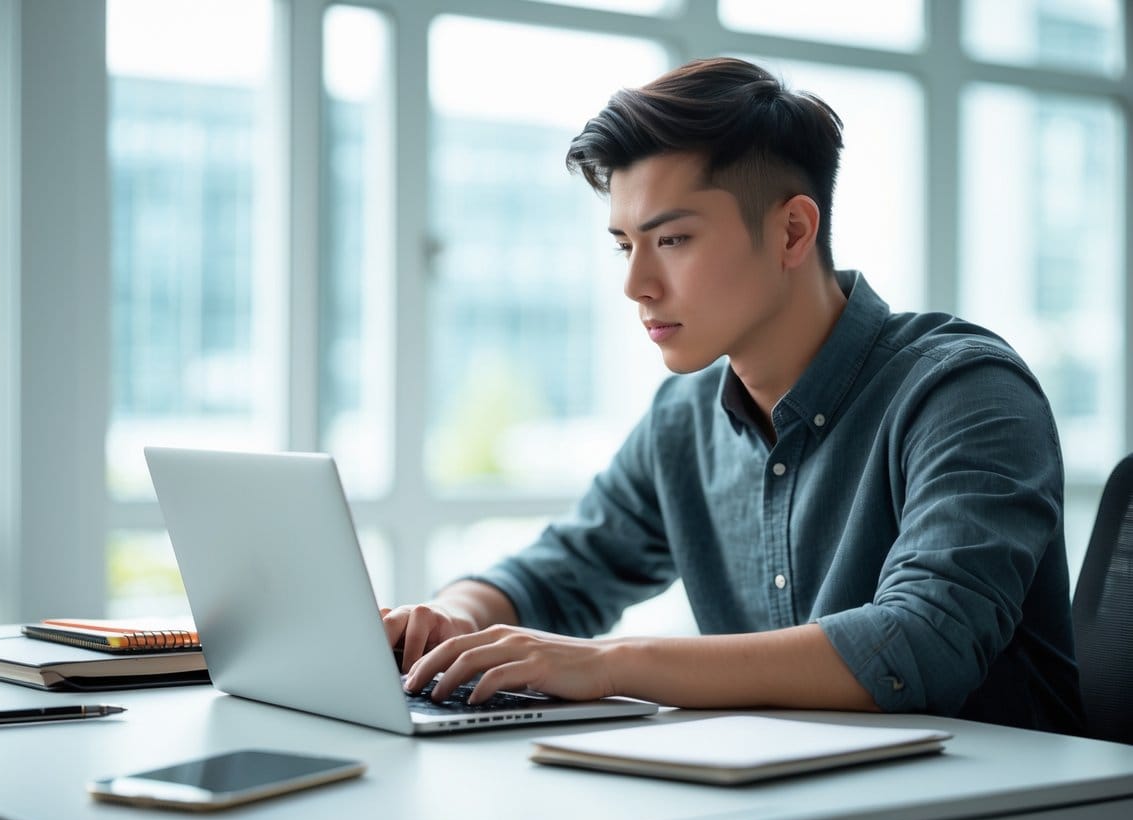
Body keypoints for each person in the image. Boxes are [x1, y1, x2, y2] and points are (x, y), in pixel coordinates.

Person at [384, 56, 1084, 734]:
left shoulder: (961, 390)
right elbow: (568, 569)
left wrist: (608, 665)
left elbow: (921, 641)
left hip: (998, 804)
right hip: (786, 795)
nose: (636, 286)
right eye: (624, 246)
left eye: (674, 239)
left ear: (791, 231)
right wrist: (454, 615)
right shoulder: (684, 419)